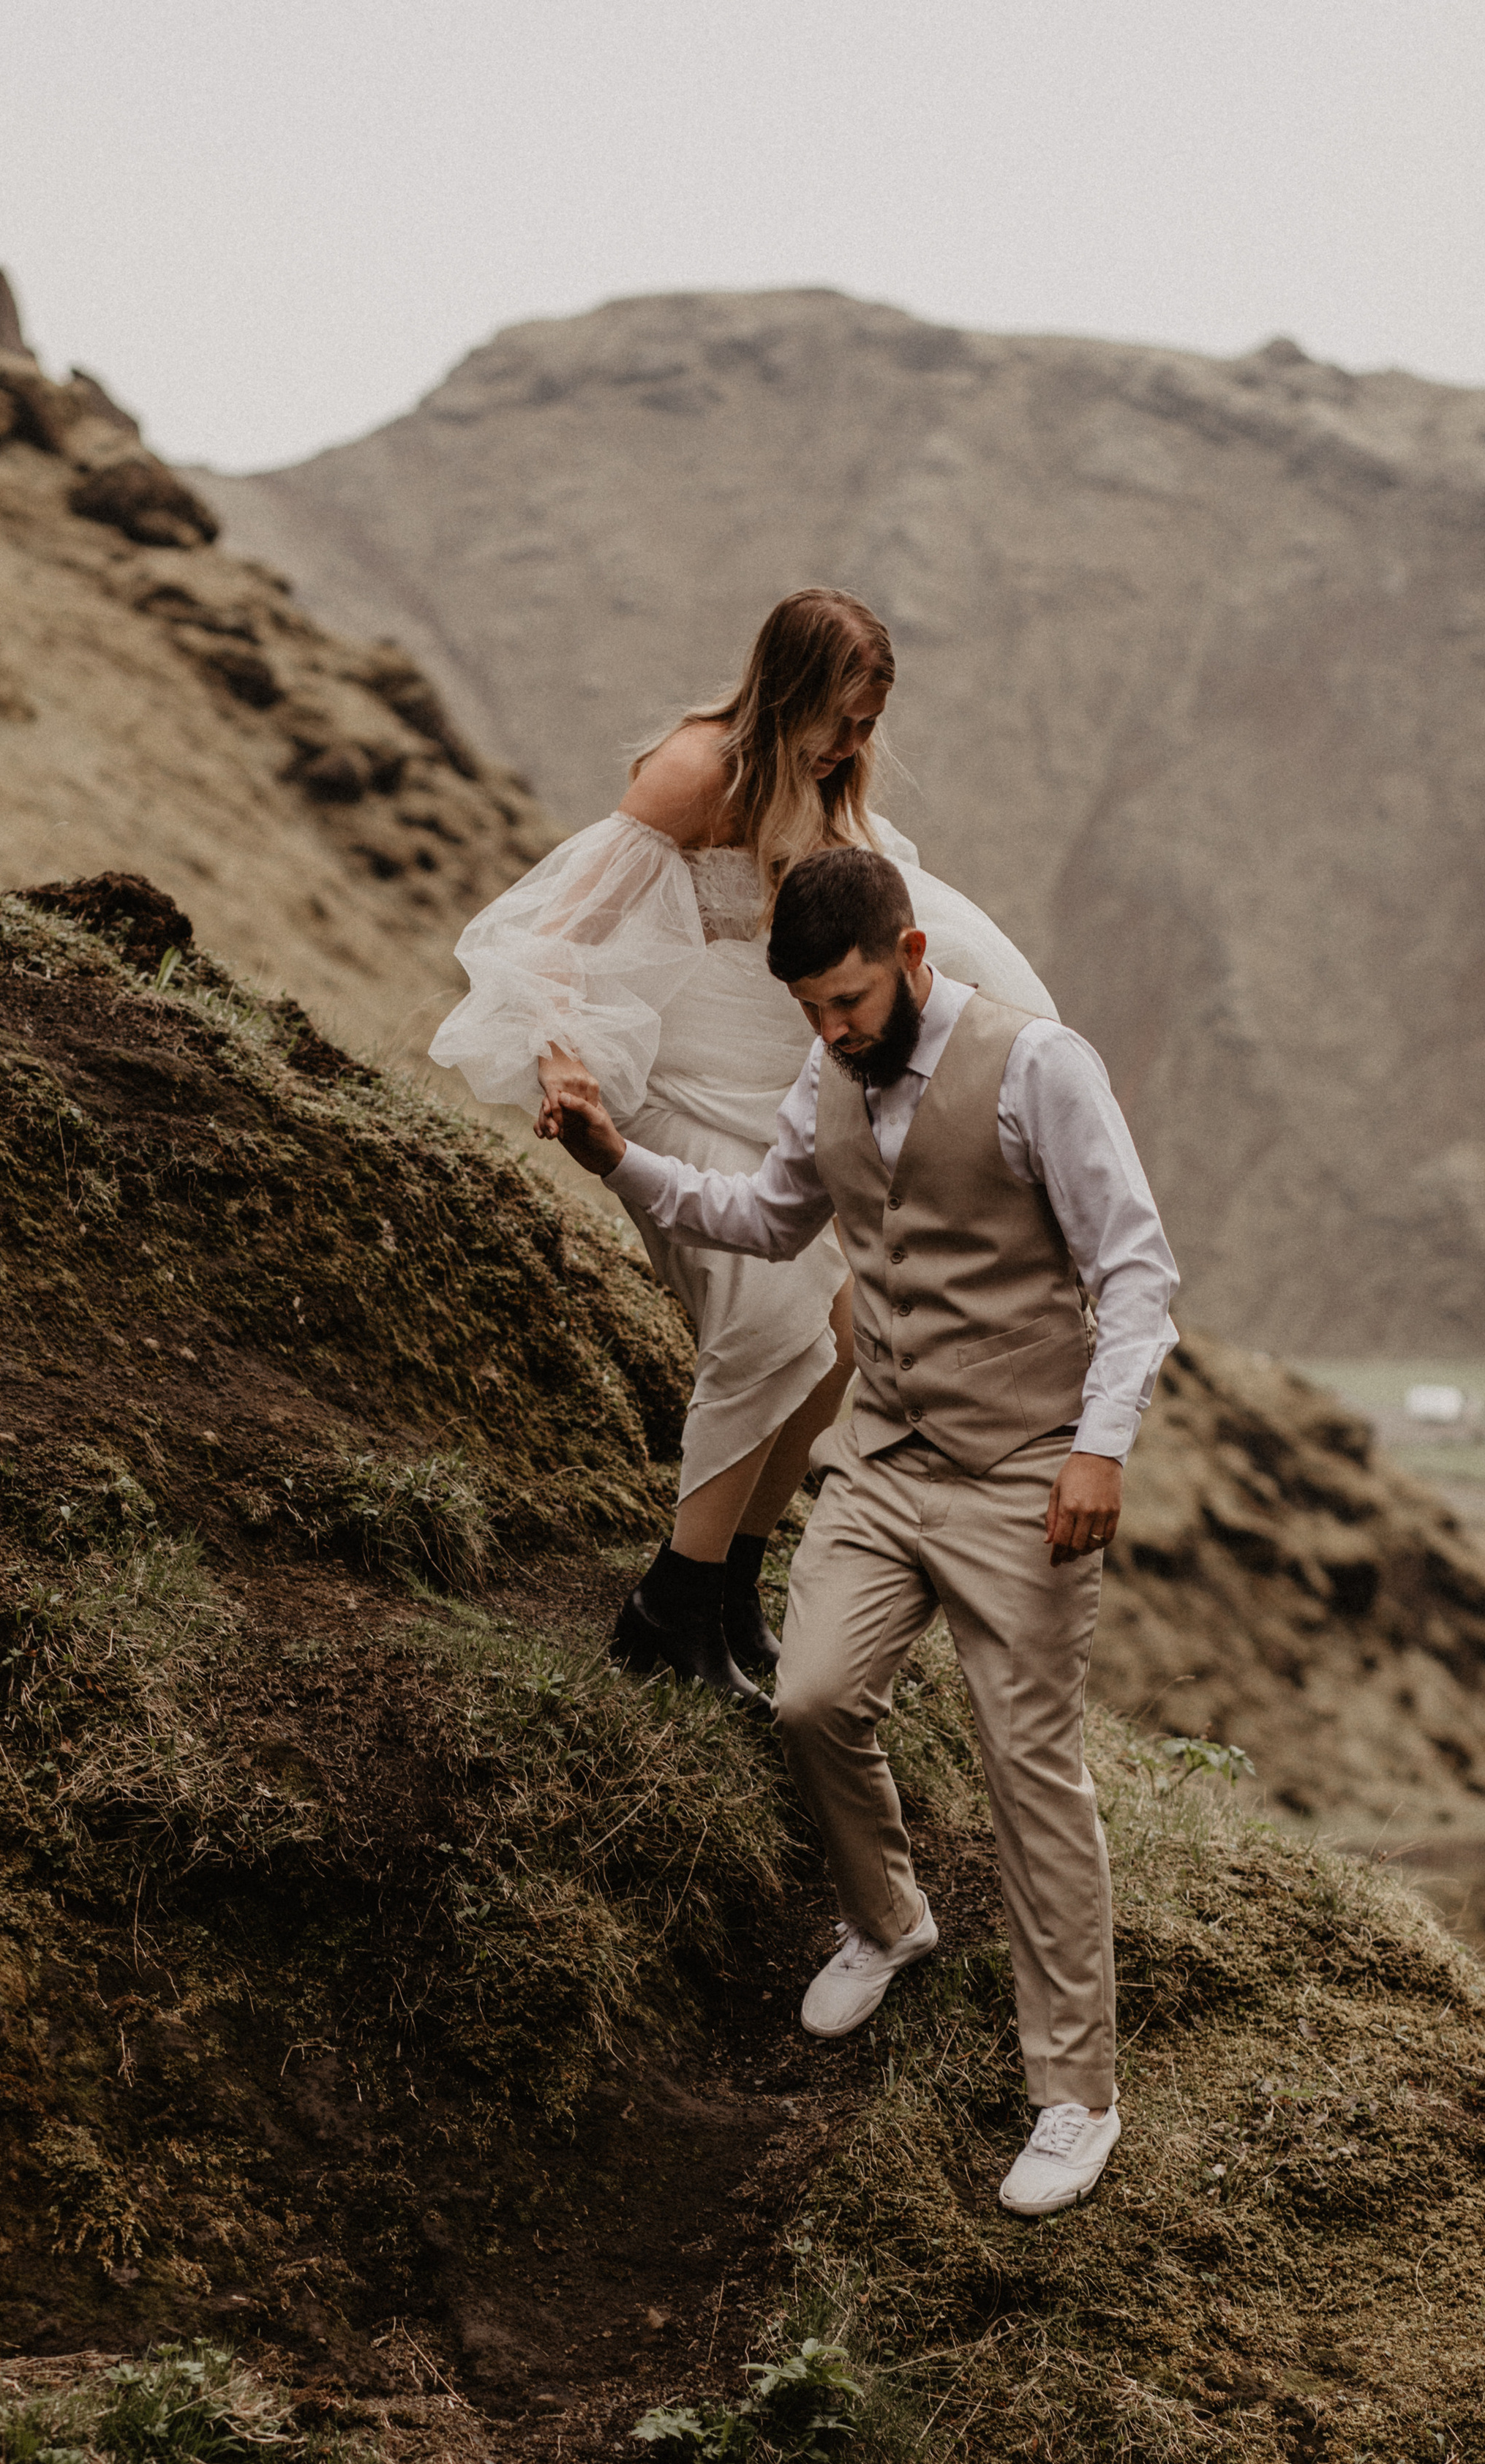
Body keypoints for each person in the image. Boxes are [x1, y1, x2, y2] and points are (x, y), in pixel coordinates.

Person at [544, 843, 1179, 2219]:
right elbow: (765, 1221)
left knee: (1033, 1779)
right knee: (814, 1699)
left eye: (846, 1003)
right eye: (811, 1013)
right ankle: (888, 1923)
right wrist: (617, 1159)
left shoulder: (1036, 1068)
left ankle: (1076, 2098)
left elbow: (1136, 1269)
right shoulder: (824, 1070)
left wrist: (1099, 1448)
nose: (830, 1033)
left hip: (1028, 1474)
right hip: (885, 1459)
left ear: (910, 958)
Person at [429, 589, 1054, 1707]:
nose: (858, 747)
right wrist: (563, 1057)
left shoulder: (831, 785)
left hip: (776, 1090)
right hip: (669, 1073)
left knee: (852, 1332)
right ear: (796, 693)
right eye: (845, 721)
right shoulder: (693, 773)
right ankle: (663, 1610)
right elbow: (559, 932)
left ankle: (728, 1589)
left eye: (871, 725)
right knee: (767, 1317)